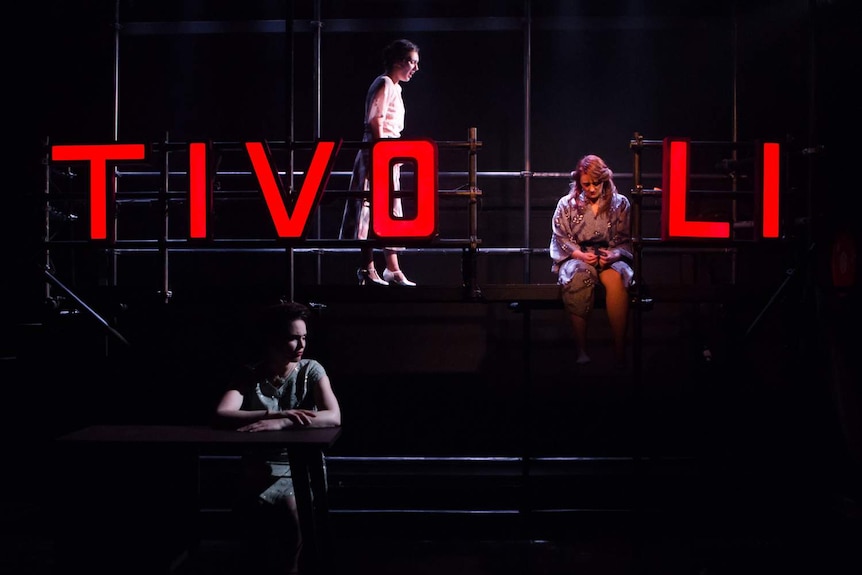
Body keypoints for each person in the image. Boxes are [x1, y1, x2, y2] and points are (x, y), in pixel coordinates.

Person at [213, 301, 341, 574]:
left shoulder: (311, 370)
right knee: (252, 526)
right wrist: (273, 416)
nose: (301, 345)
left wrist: (283, 423)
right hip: (258, 466)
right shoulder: (251, 374)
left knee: (291, 512)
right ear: (272, 339)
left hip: (301, 467)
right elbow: (223, 412)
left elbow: (333, 416)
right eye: (293, 338)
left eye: (304, 337)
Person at [339, 38, 421, 287]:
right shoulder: (384, 82)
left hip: (388, 152)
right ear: (398, 61)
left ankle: (393, 269)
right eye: (412, 62)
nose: (416, 68)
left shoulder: (396, 87)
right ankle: (367, 268)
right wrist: (381, 153)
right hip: (377, 151)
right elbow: (375, 119)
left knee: (389, 209)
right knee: (368, 206)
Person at [550, 154, 634, 366]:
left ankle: (619, 349)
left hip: (608, 254)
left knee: (617, 278)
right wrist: (578, 254)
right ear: (579, 182)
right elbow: (560, 236)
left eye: (596, 183)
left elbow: (626, 239)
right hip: (577, 256)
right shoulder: (567, 204)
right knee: (578, 277)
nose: (592, 188)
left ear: (604, 180)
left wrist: (615, 254)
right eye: (586, 184)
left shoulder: (620, 203)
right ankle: (582, 350)